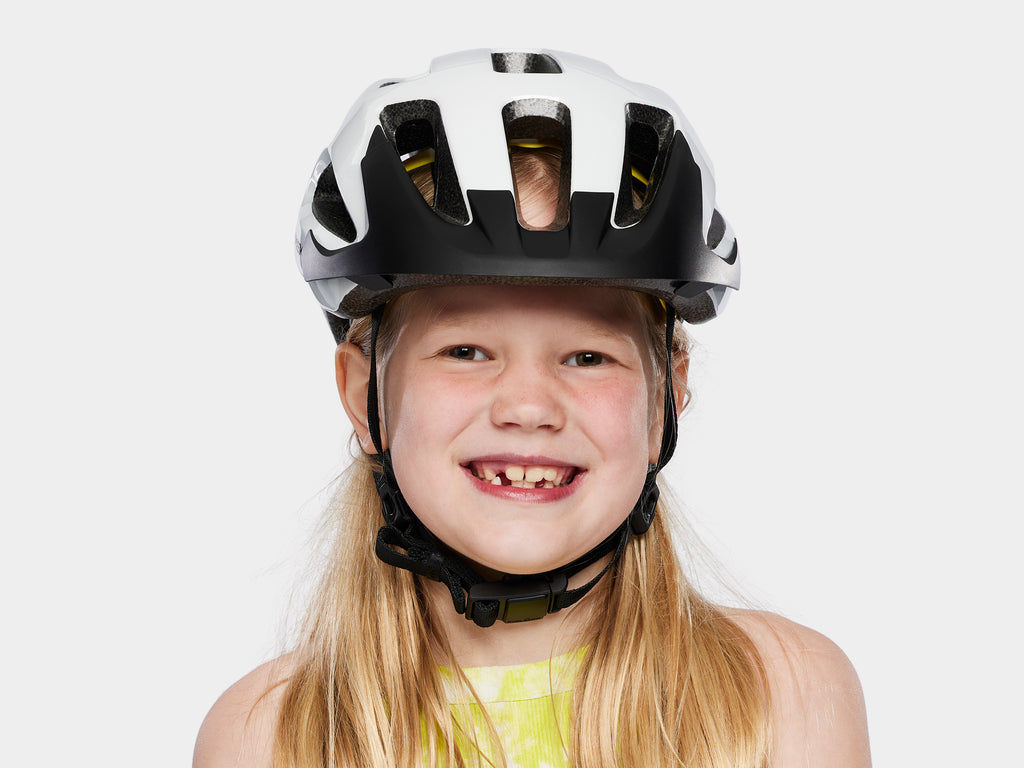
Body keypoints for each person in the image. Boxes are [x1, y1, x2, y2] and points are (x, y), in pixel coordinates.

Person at [193, 49, 871, 768]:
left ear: (666, 397)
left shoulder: (780, 697)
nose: (527, 406)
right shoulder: (268, 737)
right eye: (465, 351)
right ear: (363, 397)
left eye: (587, 357)